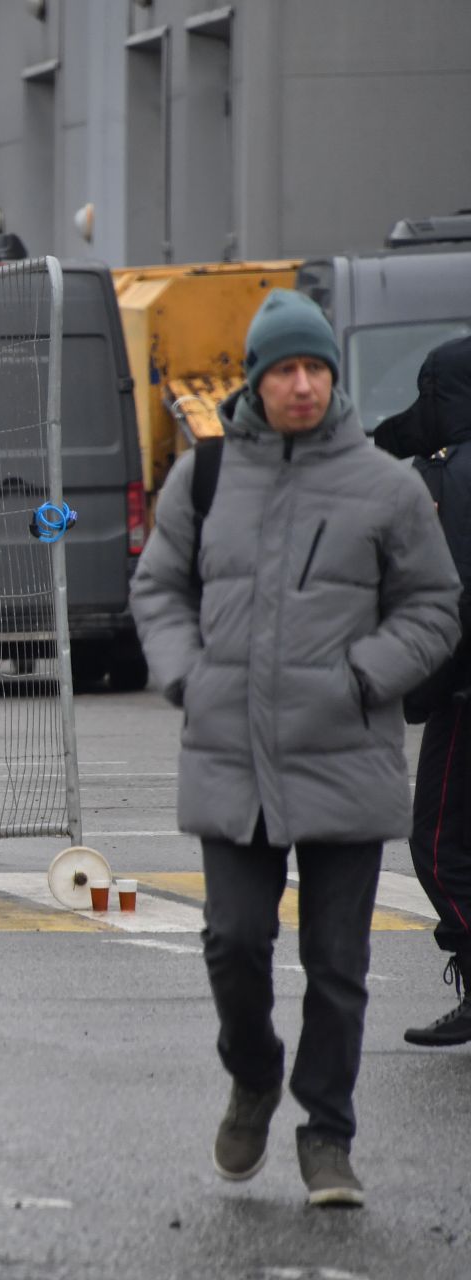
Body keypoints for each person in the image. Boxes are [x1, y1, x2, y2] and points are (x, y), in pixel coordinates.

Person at [130, 290, 461, 1208]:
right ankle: (253, 1075)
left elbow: (435, 608)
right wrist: (189, 677)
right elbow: (158, 590)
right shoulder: (202, 477)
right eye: (286, 369)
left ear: (332, 379)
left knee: (338, 966)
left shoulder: (387, 485)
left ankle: (327, 1137)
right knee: (233, 941)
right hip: (232, 754)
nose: (304, 384)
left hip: (344, 755)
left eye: (316, 369)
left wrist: (363, 676)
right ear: (258, 380)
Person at [370, 334, 471, 1047]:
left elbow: (446, 601)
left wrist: (423, 689)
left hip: (464, 692)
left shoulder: (448, 481)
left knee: (438, 843)